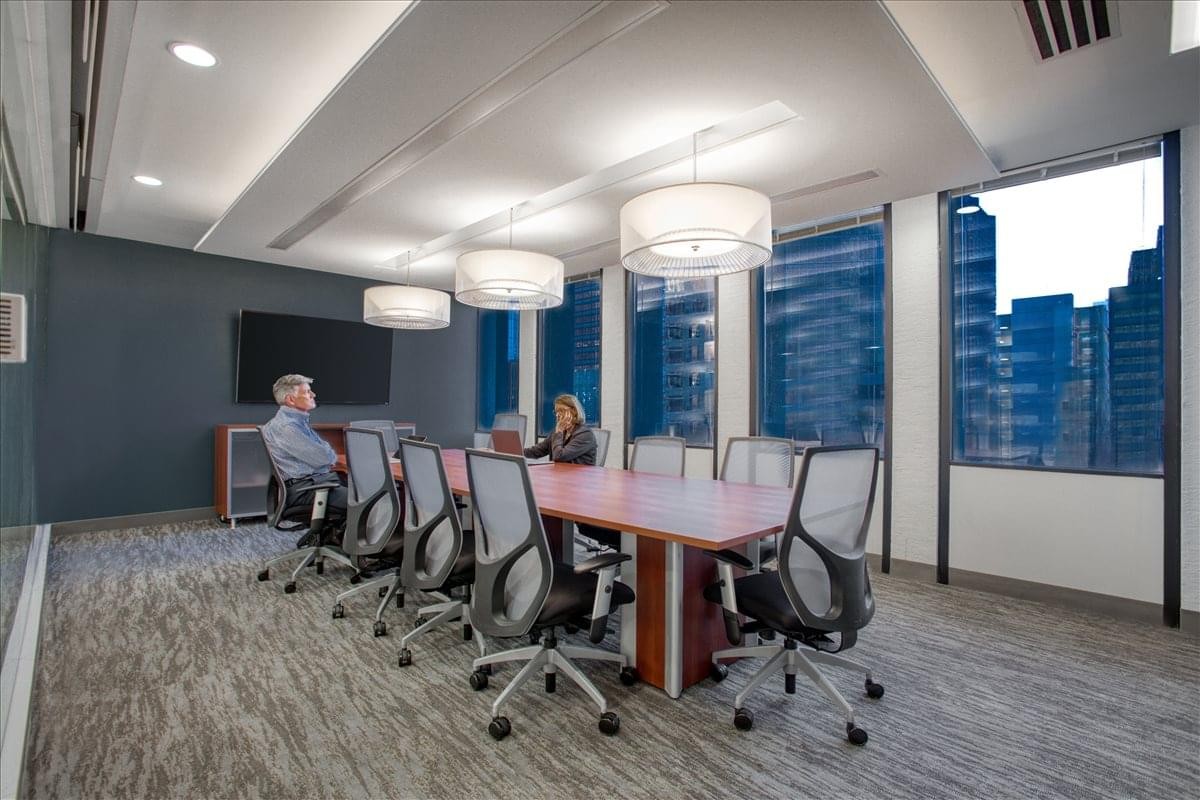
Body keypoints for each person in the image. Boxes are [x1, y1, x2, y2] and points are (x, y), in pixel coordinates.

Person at [260, 374, 348, 543]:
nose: (313, 395)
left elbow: (325, 453)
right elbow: (325, 457)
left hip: (313, 484)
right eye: (307, 392)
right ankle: (363, 550)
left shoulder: (296, 422)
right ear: (291, 399)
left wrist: (326, 452)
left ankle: (334, 538)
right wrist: (327, 452)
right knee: (371, 500)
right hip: (307, 490)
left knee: (368, 490)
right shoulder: (287, 428)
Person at [523, 394, 597, 465]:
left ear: (574, 411)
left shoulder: (585, 434)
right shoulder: (560, 431)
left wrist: (559, 431)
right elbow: (538, 451)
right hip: (561, 472)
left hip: (579, 473)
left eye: (561, 410)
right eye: (556, 412)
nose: (557, 415)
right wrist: (518, 451)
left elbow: (559, 457)